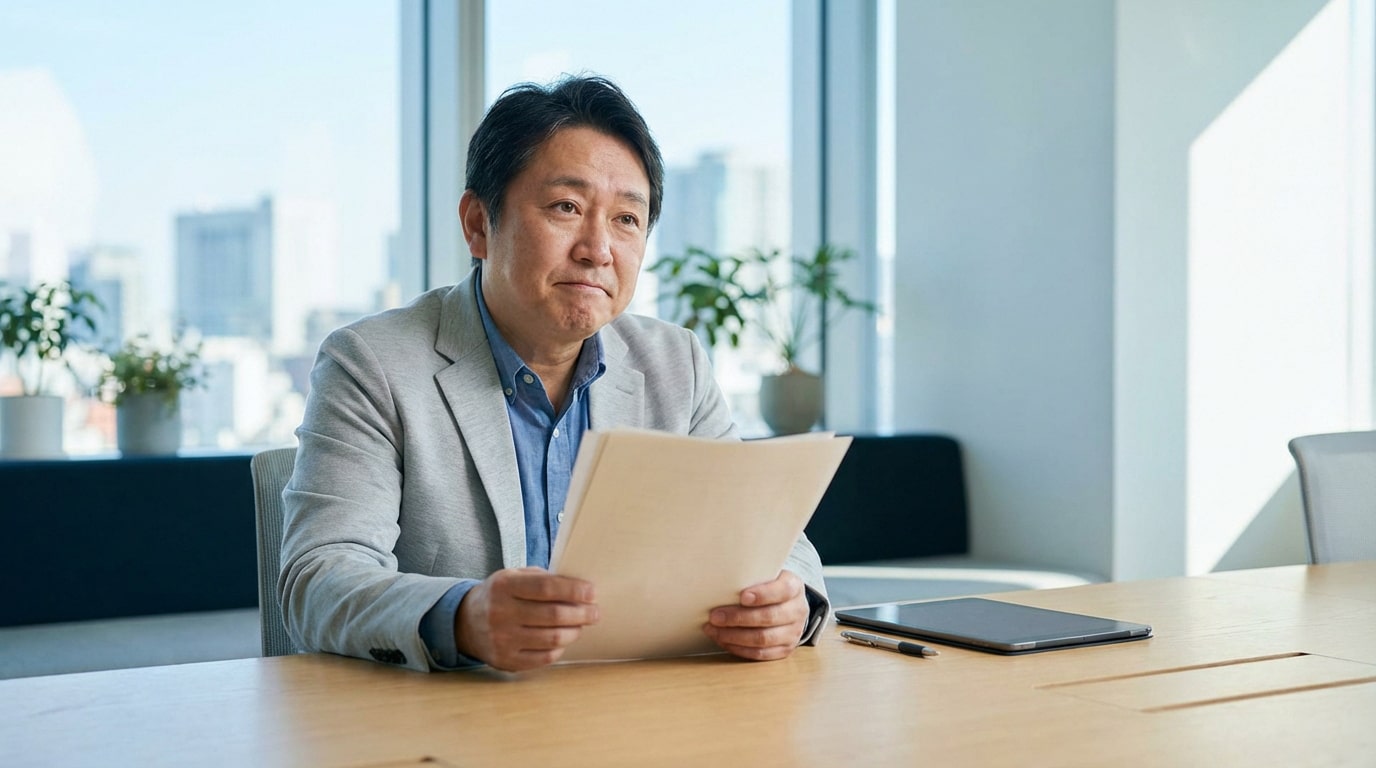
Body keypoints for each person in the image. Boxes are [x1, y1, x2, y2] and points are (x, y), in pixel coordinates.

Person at [279, 75, 830, 673]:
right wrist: (464, 617)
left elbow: (772, 541)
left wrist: (789, 602)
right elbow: (319, 578)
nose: (598, 249)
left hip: (636, 711)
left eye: (626, 218)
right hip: (453, 722)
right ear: (478, 225)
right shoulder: (372, 363)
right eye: (566, 207)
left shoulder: (677, 365)